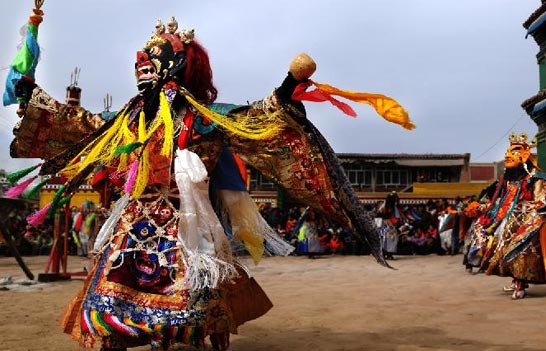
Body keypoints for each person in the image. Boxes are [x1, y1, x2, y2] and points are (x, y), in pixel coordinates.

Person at [5, 5, 412, 350]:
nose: (142, 64)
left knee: (196, 293)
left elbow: (253, 119)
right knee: (109, 296)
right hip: (133, 220)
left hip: (188, 220)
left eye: (153, 57)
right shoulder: (127, 119)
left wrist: (287, 88)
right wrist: (32, 94)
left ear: (176, 66)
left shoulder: (202, 119)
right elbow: (82, 125)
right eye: (142, 59)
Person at [465, 132, 546, 299]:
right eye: (507, 152)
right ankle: (516, 282)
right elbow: (492, 202)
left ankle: (520, 284)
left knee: (521, 253)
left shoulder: (537, 179)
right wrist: (478, 208)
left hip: (527, 222)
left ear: (525, 155)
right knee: (499, 249)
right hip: (503, 223)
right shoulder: (503, 183)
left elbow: (544, 199)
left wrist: (531, 210)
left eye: (514, 151)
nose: (507, 155)